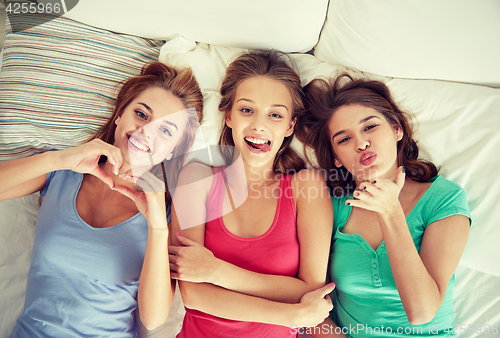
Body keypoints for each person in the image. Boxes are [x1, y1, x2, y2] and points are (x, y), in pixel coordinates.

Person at [0, 61, 203, 337]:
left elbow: (154, 319)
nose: (146, 131)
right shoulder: (62, 173)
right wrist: (60, 158)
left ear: (173, 151)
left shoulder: (168, 215)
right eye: (141, 114)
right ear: (120, 115)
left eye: (165, 131)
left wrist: (156, 226)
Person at [168, 51, 335, 338]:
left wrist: (216, 272)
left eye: (275, 114)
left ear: (290, 126)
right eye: (247, 110)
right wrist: (291, 314)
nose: (260, 125)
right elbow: (194, 295)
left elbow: (310, 290)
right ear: (229, 116)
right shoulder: (196, 178)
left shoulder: (306, 187)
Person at [295, 74, 471, 337]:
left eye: (370, 127)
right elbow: (311, 304)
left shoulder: (444, 199)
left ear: (397, 129)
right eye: (344, 139)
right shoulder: (332, 206)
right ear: (337, 158)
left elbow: (422, 312)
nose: (361, 143)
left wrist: (390, 211)